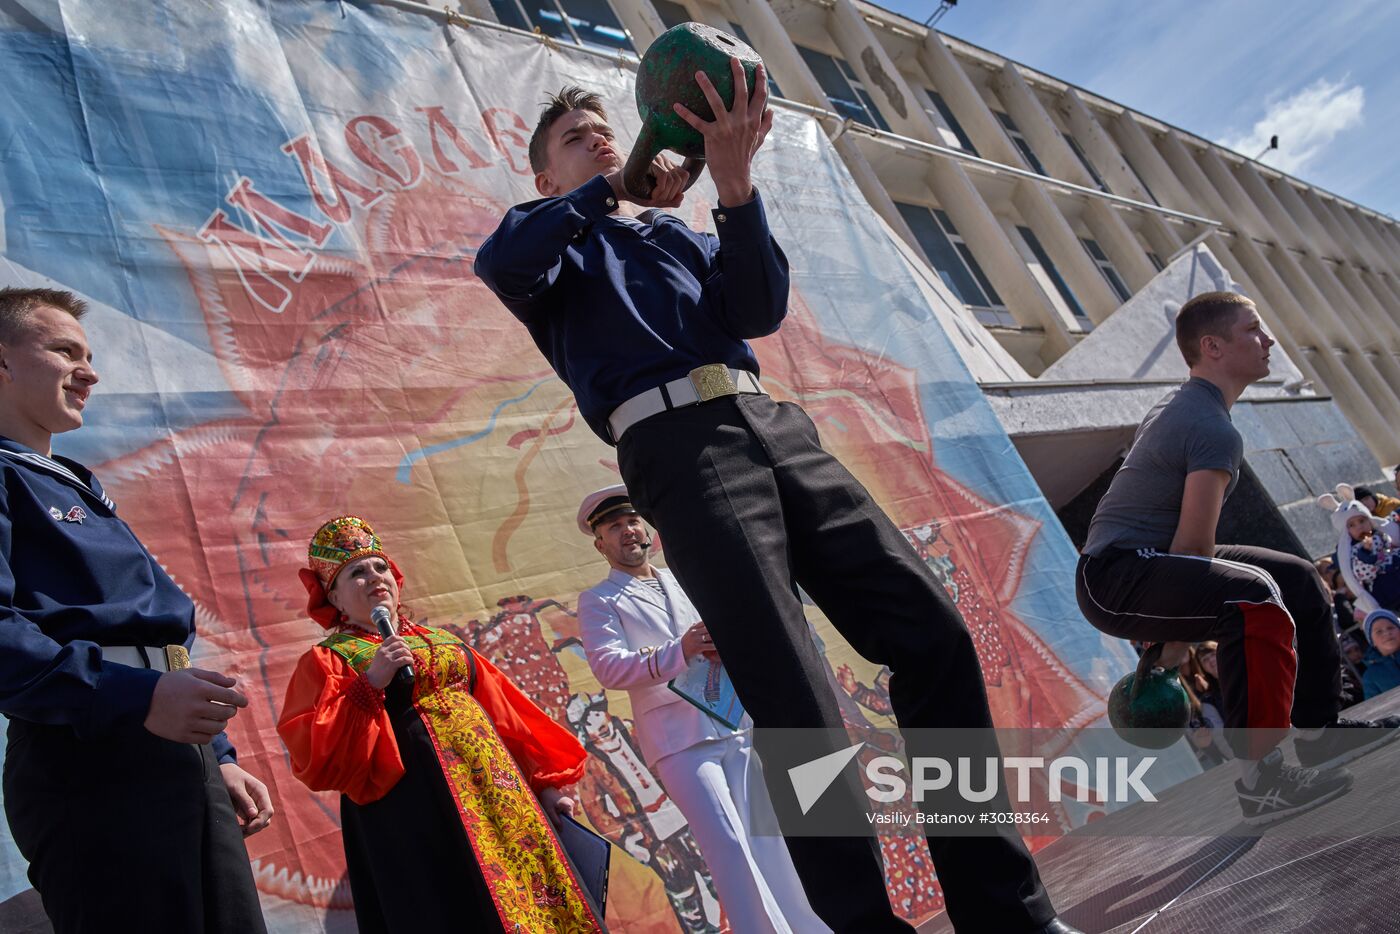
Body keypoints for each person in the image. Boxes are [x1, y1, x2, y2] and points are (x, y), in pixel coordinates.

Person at [475, 72, 1072, 933]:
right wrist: (613, 190)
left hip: (771, 422)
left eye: (604, 127)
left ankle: (1007, 913)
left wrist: (734, 182)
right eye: (575, 138)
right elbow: (501, 260)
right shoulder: (554, 252)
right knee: (794, 696)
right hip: (677, 447)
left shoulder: (672, 236)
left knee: (932, 635)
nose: (599, 137)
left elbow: (757, 306)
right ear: (546, 179)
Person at [0, 287, 271, 932]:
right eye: (65, 351)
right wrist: (134, 699)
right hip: (88, 759)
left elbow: (159, 647)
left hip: (177, 752)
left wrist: (219, 754)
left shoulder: (70, 481)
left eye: (90, 354)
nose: (90, 372)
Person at [1076, 290, 1400, 825]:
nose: (1268, 339)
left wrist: (1171, 636)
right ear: (1213, 346)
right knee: (1255, 597)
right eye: (1252, 329)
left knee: (1296, 577)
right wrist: (1173, 650)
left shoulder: (1188, 408)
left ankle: (1320, 733)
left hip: (1146, 561)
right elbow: (1194, 548)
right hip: (1116, 576)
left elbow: (1184, 545)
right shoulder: (1208, 427)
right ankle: (1260, 780)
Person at [276, 516, 604, 934]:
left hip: (498, 801)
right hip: (413, 813)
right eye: (356, 573)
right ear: (335, 598)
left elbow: (507, 714)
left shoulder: (443, 640)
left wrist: (547, 784)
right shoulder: (330, 660)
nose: (374, 577)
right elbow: (316, 754)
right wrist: (370, 684)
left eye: (380, 567)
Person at [576, 485, 828, 934]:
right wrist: (680, 651)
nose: (628, 532)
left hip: (732, 721)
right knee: (730, 846)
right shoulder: (599, 600)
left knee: (769, 840)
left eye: (633, 521)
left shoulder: (682, 577)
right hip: (678, 741)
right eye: (614, 527)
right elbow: (609, 668)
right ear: (600, 545)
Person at [1322, 485, 1400, 617]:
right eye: (1352, 525)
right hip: (1388, 592)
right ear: (1347, 532)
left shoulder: (1381, 535)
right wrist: (1367, 555)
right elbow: (1363, 574)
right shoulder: (1355, 551)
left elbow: (1391, 547)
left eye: (1362, 520)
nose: (1359, 527)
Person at [1361, 610, 1400, 699]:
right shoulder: (1370, 676)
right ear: (1372, 641)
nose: (1387, 633)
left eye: (1390, 628)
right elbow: (1373, 708)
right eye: (1379, 631)